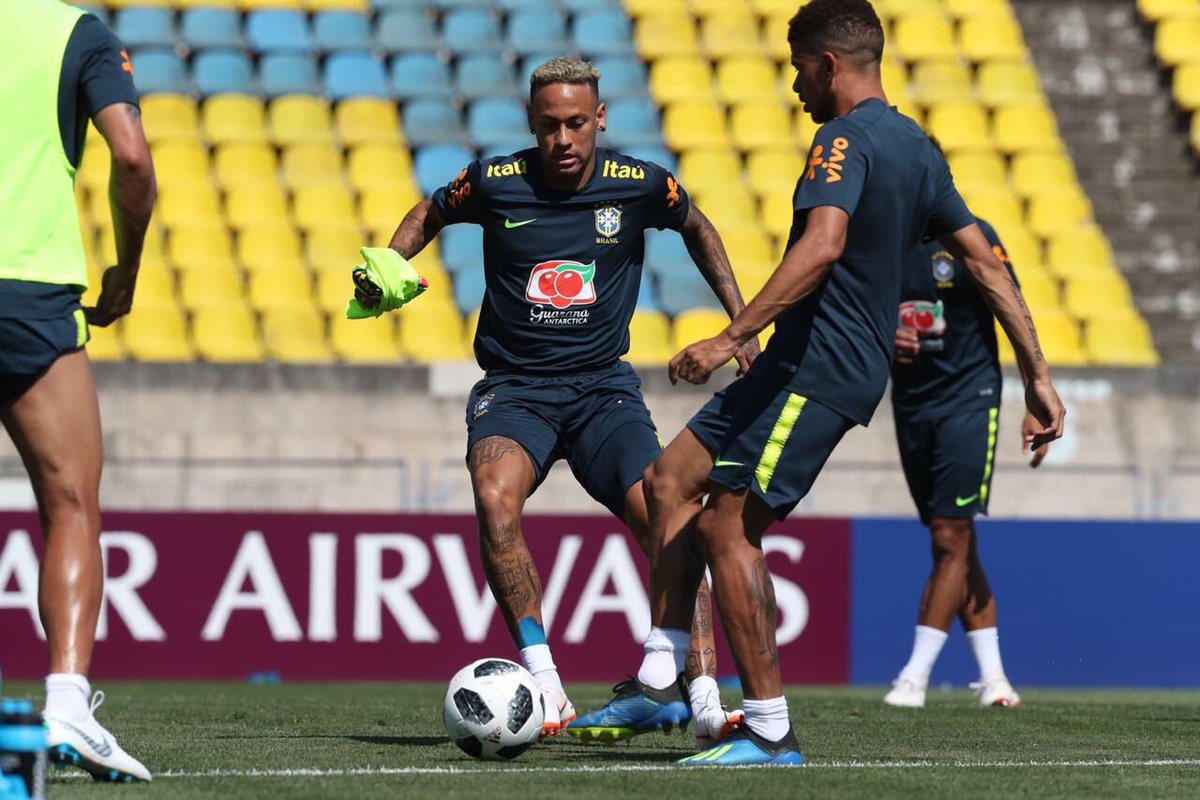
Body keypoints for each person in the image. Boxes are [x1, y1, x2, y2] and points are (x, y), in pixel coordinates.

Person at [626, 0, 1065, 766]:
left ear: (828, 64)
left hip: (820, 366)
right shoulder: (917, 147)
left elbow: (823, 244)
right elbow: (989, 264)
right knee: (670, 478)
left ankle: (768, 729)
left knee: (729, 527)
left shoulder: (841, 140)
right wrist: (1038, 377)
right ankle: (662, 671)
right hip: (802, 360)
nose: (795, 85)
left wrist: (730, 336)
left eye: (799, 68)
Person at [372, 57, 757, 738]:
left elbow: (699, 227)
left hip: (602, 391)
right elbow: (430, 210)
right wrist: (389, 265)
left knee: (670, 520)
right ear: (531, 122)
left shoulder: (641, 185)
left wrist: (740, 324)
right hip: (515, 390)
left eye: (576, 123)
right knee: (494, 496)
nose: (563, 139)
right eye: (549, 125)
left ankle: (701, 701)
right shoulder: (494, 181)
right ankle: (545, 685)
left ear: (599, 118)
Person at [0, 0, 156, 784]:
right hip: (27, 289)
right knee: (70, 503)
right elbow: (131, 159)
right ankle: (65, 703)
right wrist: (125, 270)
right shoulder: (74, 32)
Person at [883, 213, 1044, 709]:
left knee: (949, 534)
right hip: (911, 405)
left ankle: (914, 678)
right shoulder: (879, 234)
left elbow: (1011, 306)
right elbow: (854, 312)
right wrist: (884, 337)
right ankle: (995, 680)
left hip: (970, 398)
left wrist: (1035, 394)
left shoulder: (972, 235)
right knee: (957, 541)